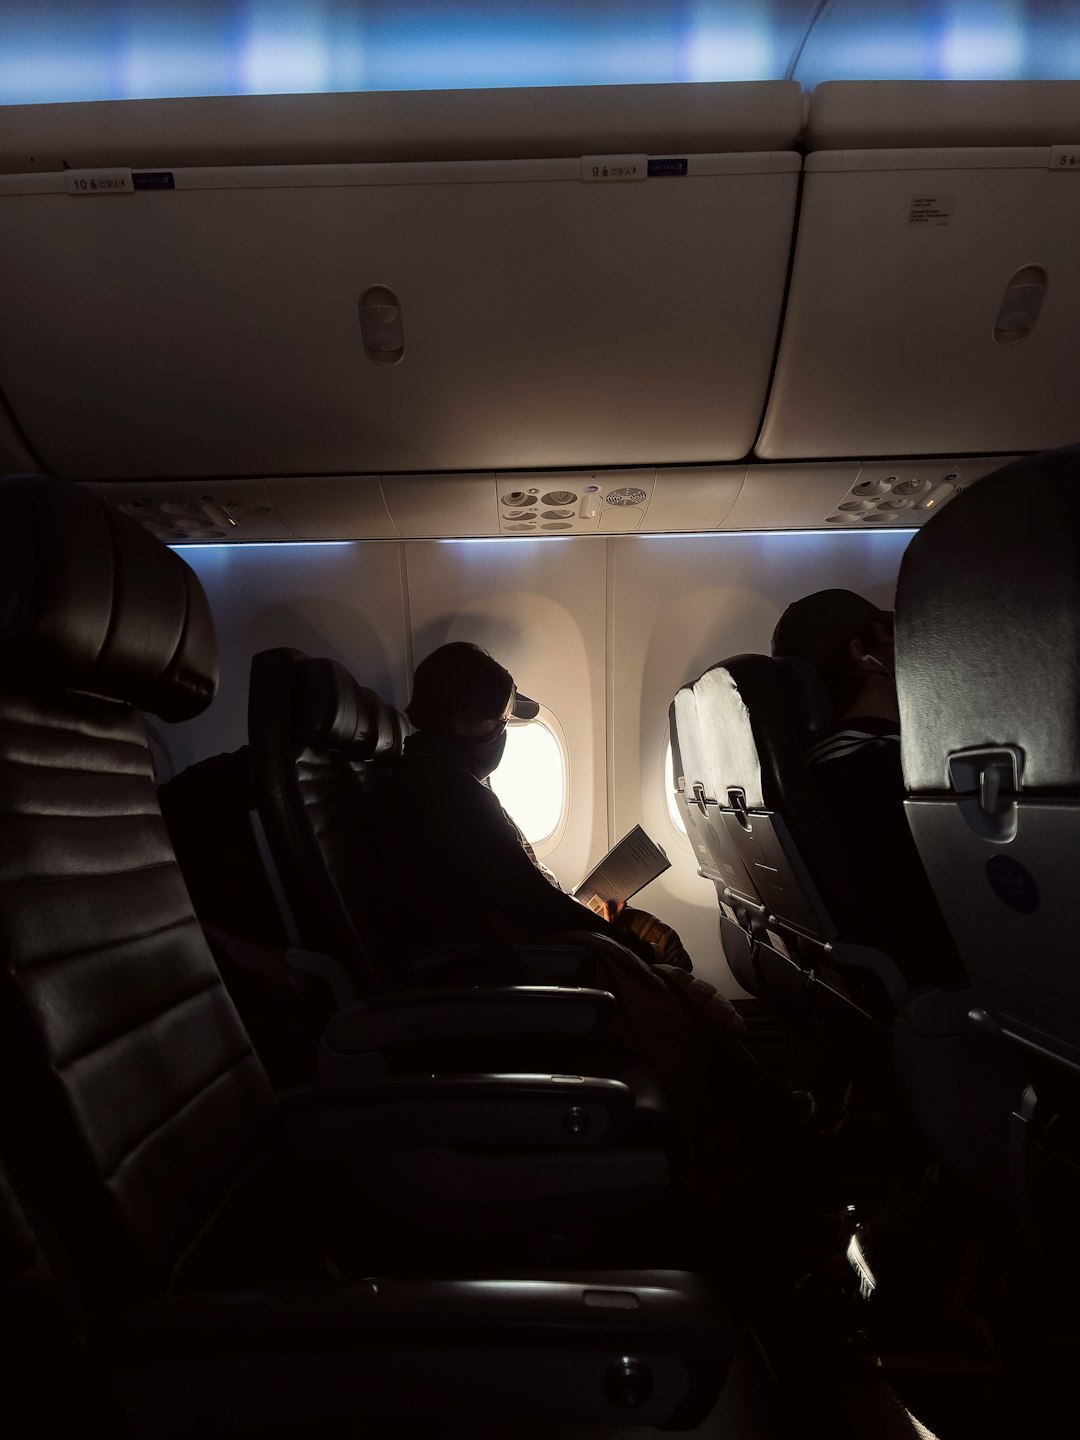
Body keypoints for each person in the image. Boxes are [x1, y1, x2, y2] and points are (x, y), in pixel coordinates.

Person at [382, 640, 811, 1145]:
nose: (504, 736)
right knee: (660, 966)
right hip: (497, 964)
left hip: (515, 939)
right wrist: (620, 942)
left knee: (658, 944)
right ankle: (758, 1123)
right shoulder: (445, 791)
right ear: (460, 721)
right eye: (498, 724)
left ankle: (748, 1112)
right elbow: (526, 902)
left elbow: (511, 886)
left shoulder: (445, 777)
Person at [771, 589, 964, 989]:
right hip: (941, 982)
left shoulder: (815, 766)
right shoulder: (883, 771)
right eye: (894, 638)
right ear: (863, 653)